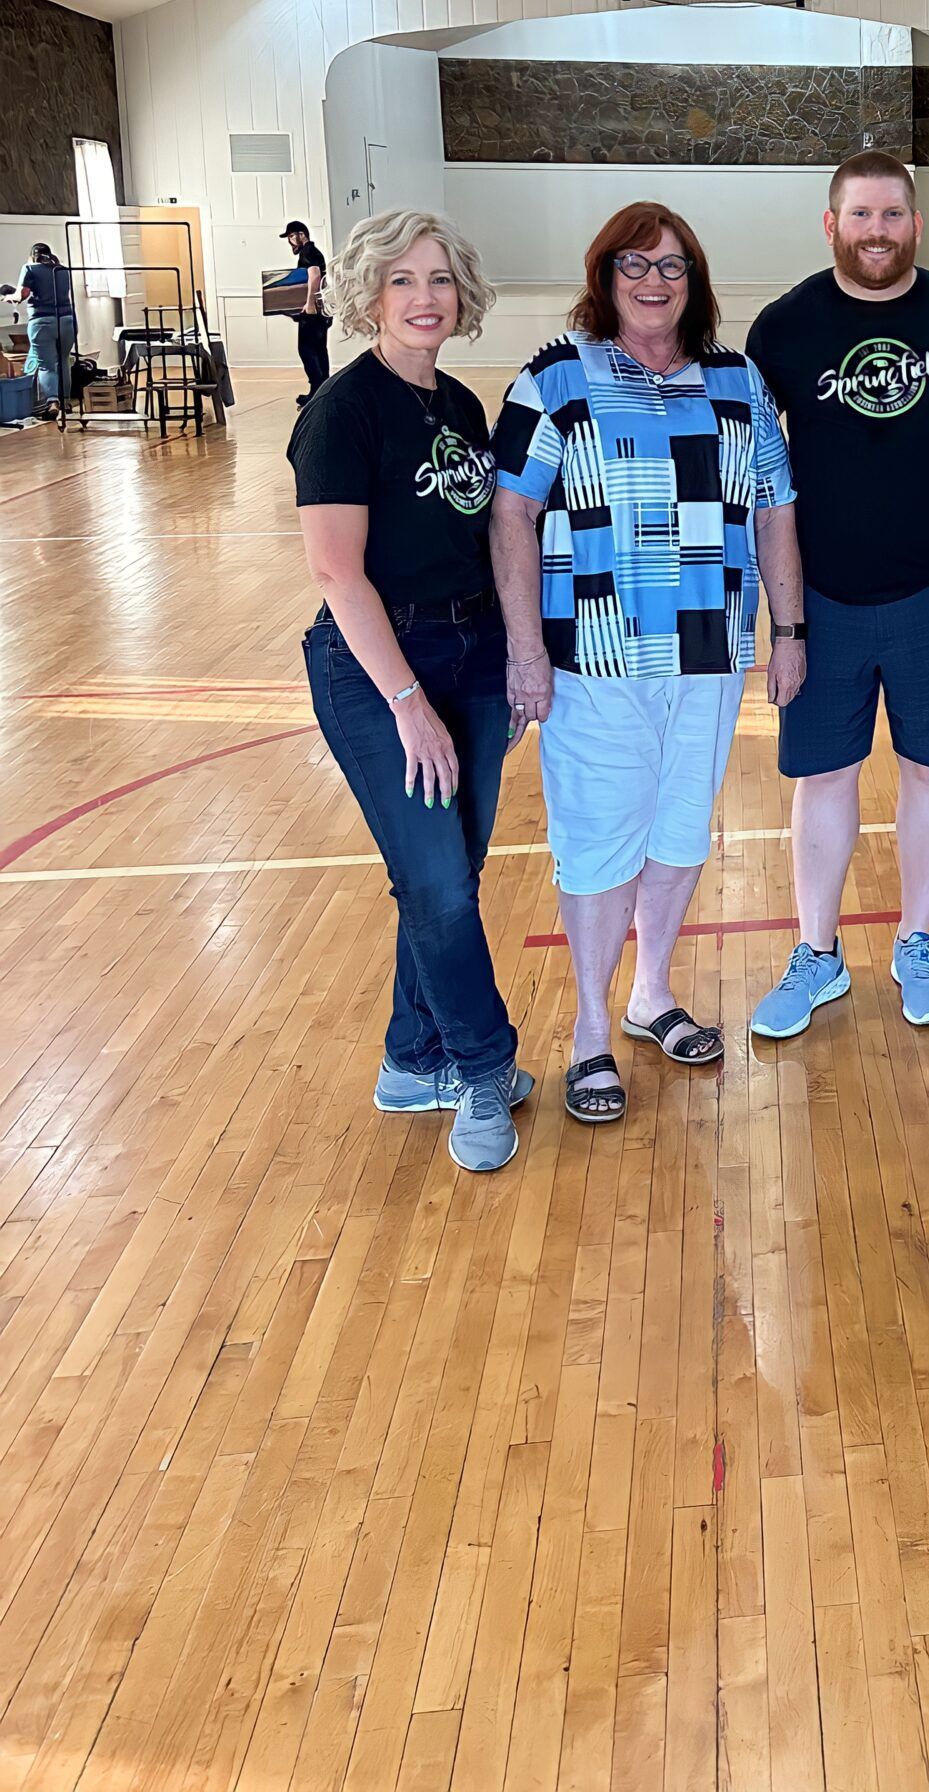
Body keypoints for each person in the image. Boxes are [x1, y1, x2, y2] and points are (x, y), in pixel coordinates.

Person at [491, 201, 804, 1124]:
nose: (653, 282)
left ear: (695, 280)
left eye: (671, 266)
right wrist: (523, 652)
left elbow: (777, 509)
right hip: (591, 656)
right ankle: (591, 1029)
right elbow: (510, 513)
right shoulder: (554, 379)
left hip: (708, 655)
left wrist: (789, 631)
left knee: (677, 832)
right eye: (634, 265)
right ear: (604, 277)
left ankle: (650, 994)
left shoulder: (740, 382)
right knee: (597, 842)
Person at [743, 152, 929, 1040]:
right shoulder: (782, 330)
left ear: (917, 223)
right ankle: (818, 954)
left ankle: (914, 940)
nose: (878, 231)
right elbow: (751, 467)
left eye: (894, 215)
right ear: (831, 225)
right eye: (861, 215)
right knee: (824, 775)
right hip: (822, 600)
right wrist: (777, 618)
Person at [290, 207, 532, 1173]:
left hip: (470, 654)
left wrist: (510, 660)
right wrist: (407, 705)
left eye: (439, 280)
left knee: (446, 876)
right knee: (436, 881)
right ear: (368, 296)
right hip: (380, 669)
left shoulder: (461, 407)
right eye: (402, 282)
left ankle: (411, 1057)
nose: (424, 299)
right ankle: (482, 1068)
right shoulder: (341, 415)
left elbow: (483, 541)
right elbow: (338, 576)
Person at [9, 243, 77, 415]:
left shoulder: (30, 268)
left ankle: (52, 402)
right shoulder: (63, 270)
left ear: (33, 255)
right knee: (64, 361)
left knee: (47, 366)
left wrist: (8, 297)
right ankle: (67, 402)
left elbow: (22, 295)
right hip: (67, 320)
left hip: (42, 322)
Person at [282, 220, 330, 402]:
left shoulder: (308, 252)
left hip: (313, 311)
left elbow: (315, 274)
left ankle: (316, 391)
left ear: (302, 234)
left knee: (306, 349)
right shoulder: (313, 251)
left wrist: (309, 304)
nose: (291, 240)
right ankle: (322, 389)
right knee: (318, 349)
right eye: (289, 237)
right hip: (321, 310)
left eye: (292, 236)